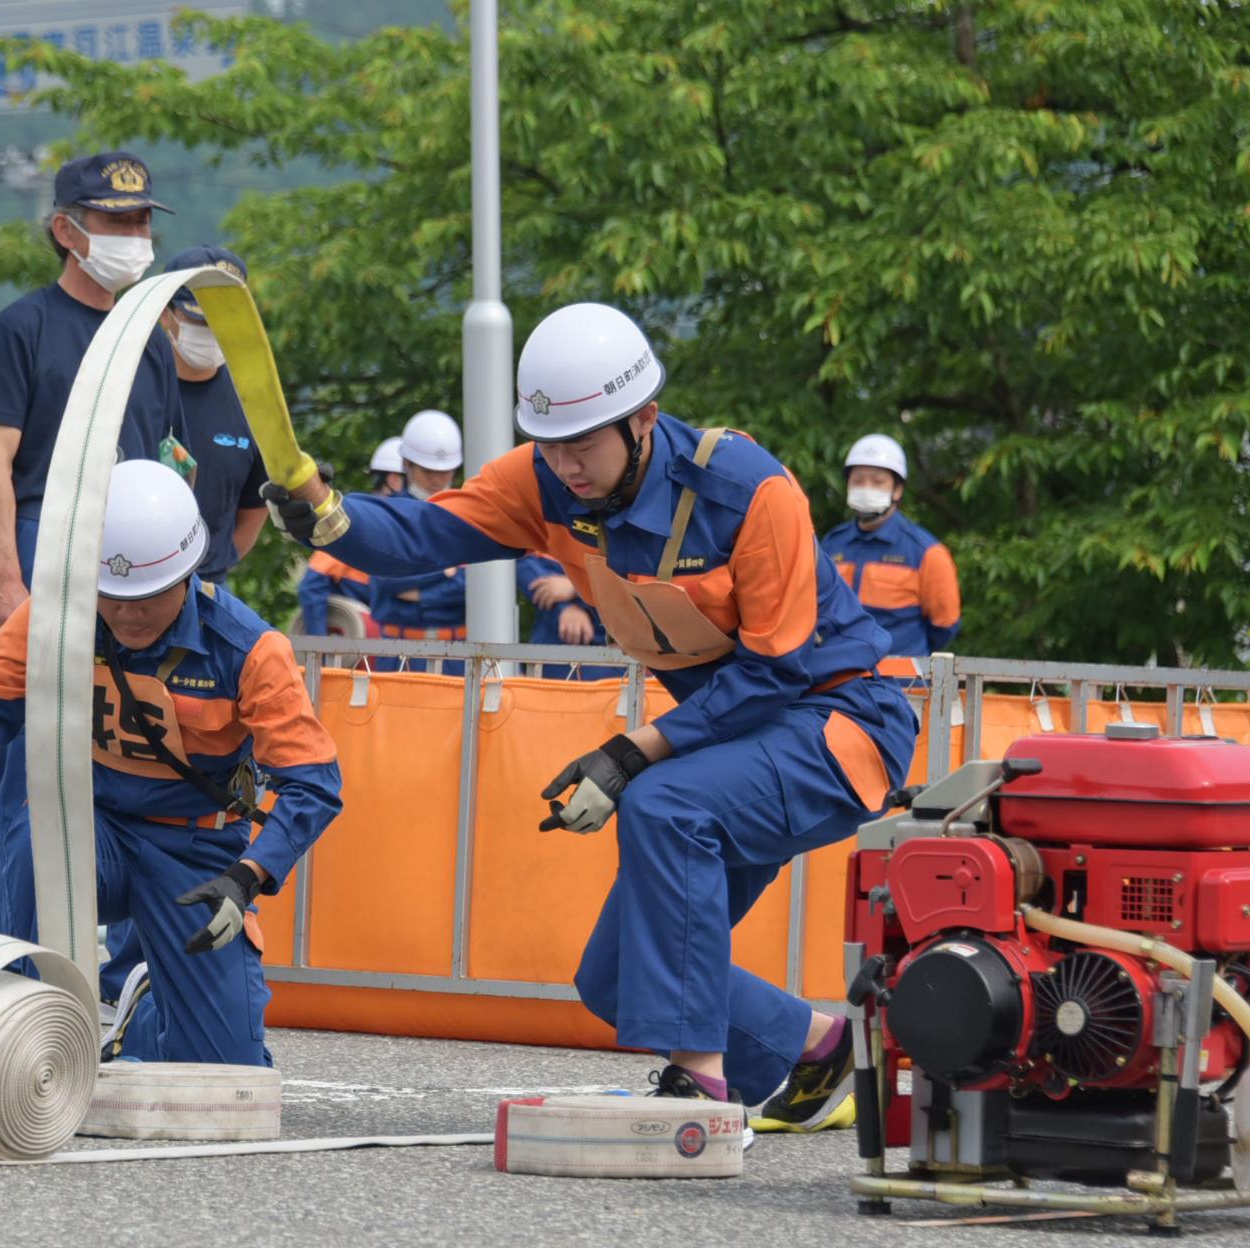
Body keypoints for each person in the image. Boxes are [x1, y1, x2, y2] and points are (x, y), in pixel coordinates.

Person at [264, 302, 915, 1132]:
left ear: (643, 419)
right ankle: (819, 1050)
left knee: (664, 805)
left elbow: (774, 671)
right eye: (550, 442)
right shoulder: (541, 481)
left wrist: (633, 751)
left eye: (584, 442)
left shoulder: (751, 490)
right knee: (615, 979)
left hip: (839, 722)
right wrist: (331, 512)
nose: (565, 463)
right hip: (738, 738)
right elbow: (427, 533)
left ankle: (701, 1089)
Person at [0, 460, 341, 1066]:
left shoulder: (251, 651)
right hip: (91, 833)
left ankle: (143, 1013)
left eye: (146, 597)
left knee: (226, 1073)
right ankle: (21, 1023)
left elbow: (315, 785)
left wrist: (249, 875)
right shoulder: (52, 620)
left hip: (198, 856)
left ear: (188, 574)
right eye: (110, 597)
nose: (127, 615)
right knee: (34, 830)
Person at [0, 149, 185, 980]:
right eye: (114, 220)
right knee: (29, 775)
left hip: (133, 569)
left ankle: (134, 982)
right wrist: (9, 581)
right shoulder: (23, 328)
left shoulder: (152, 344)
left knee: (144, 762)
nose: (132, 236)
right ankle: (20, 978)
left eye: (139, 221)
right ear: (66, 229)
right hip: (40, 552)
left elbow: (163, 462)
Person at [159, 245, 269, 590]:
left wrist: (218, 559)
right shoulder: (133, 387)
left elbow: (255, 506)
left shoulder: (253, 402)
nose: (213, 330)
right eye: (200, 318)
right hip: (130, 584)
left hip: (209, 587)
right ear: (167, 315)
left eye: (225, 319)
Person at [818, 434, 960, 660]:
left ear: (897, 490)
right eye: (858, 480)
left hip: (903, 686)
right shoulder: (831, 544)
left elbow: (944, 626)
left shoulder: (926, 553)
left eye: (877, 481)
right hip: (839, 680)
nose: (866, 487)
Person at [368, 411, 469, 670]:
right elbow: (388, 578)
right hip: (398, 652)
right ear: (407, 465)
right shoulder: (389, 514)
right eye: (428, 470)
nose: (438, 479)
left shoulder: (469, 513)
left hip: (456, 655)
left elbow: (476, 585)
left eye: (446, 471)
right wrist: (445, 572)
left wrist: (419, 591)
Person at [294, 440, 401, 636]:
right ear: (395, 480)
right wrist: (321, 650)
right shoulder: (360, 522)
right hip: (356, 644)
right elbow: (312, 586)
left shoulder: (403, 529)